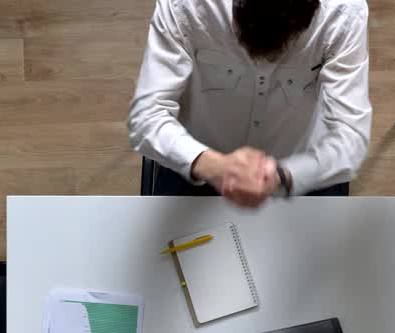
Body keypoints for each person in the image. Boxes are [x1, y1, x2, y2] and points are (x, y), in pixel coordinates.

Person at [128, 0, 372, 207]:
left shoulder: (344, 12)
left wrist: (282, 177)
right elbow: (147, 116)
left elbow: (351, 137)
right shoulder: (186, 5)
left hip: (300, 170)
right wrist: (213, 165)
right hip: (198, 160)